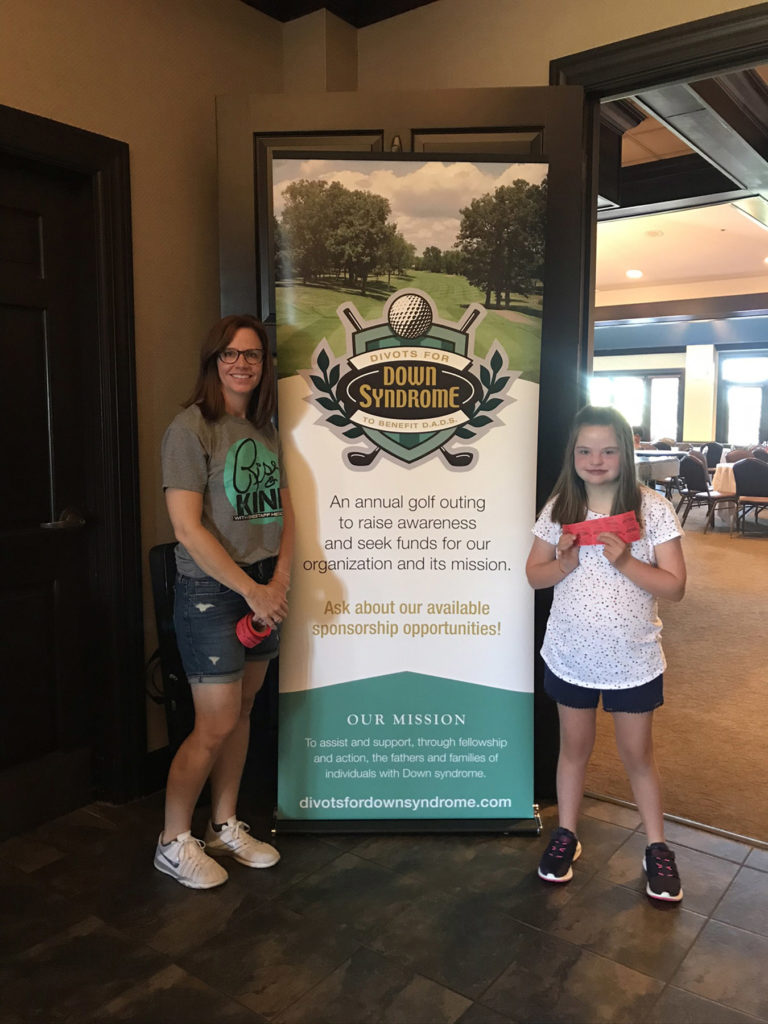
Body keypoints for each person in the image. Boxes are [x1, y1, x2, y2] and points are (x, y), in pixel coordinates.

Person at [526, 405, 686, 902]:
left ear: (626, 453)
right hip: (571, 652)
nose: (596, 460)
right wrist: (566, 562)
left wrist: (624, 563)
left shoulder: (651, 507)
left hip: (633, 657)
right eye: (585, 450)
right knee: (573, 750)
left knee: (638, 755)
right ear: (572, 455)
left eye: (609, 450)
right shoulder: (560, 507)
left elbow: (675, 586)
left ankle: (656, 845)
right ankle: (566, 835)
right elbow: (534, 575)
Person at [155, 314, 294, 889]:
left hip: (264, 589)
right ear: (213, 362)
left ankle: (223, 823)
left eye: (253, 355)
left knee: (242, 712)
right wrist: (253, 589)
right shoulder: (190, 430)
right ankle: (172, 840)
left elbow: (286, 515)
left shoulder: (263, 431)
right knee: (212, 723)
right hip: (215, 593)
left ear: (264, 366)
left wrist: (280, 582)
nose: (242, 363)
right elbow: (188, 529)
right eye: (231, 354)